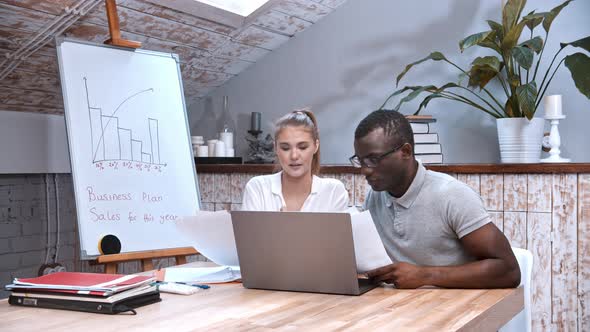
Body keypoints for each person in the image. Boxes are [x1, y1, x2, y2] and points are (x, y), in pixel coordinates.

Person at [350, 110, 520, 289]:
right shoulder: (374, 196)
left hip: (455, 310)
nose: (365, 170)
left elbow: (509, 270)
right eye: (360, 161)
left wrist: (424, 275)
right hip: (400, 309)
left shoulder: (452, 195)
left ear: (406, 152)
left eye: (373, 159)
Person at [242, 109, 349, 212]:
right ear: (275, 148)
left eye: (302, 147)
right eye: (285, 148)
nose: (294, 156)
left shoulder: (333, 192)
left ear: (316, 146)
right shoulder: (257, 189)